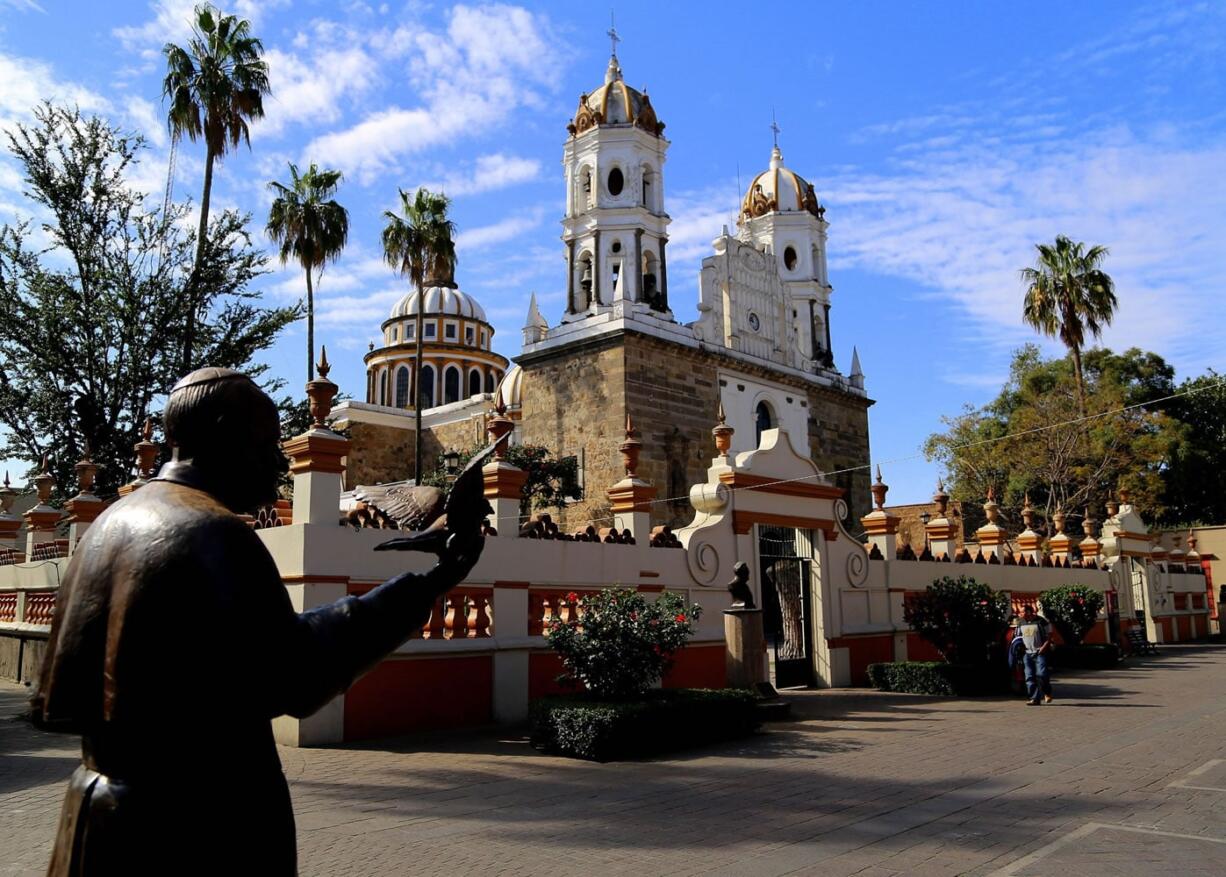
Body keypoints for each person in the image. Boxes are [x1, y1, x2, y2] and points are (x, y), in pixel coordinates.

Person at [32, 368, 486, 875]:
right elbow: (293, 671)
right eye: (267, 445)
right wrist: (426, 585)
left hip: (99, 817)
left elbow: (60, 697)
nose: (277, 464)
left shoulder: (109, 525)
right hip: (191, 823)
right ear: (227, 433)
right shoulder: (211, 531)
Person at [1015, 604, 1054, 705]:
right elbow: (1018, 637)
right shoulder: (1020, 623)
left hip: (1040, 652)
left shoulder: (1041, 622)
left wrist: (1043, 648)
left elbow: (1049, 637)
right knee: (1029, 676)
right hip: (1027, 654)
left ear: (1028, 612)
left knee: (1042, 674)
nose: (1020, 614)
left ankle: (1047, 692)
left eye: (1022, 612)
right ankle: (1034, 698)